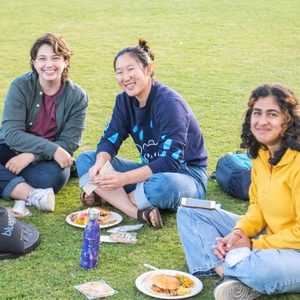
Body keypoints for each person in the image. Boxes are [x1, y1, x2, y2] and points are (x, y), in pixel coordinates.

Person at [177, 84, 300, 299]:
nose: (262, 121)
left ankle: (240, 271)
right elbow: (258, 206)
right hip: (271, 237)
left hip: (294, 252)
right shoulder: (262, 153)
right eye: (257, 113)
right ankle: (228, 276)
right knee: (190, 211)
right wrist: (239, 233)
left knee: (261, 268)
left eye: (272, 114)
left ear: (287, 120)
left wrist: (253, 244)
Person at [76, 39, 208, 229]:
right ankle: (135, 210)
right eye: (119, 72)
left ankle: (106, 198)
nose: (125, 77)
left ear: (148, 69)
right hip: (149, 171)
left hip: (185, 175)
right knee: (86, 159)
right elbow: (110, 139)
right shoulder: (123, 101)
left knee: (162, 185)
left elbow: (170, 162)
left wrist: (122, 180)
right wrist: (100, 163)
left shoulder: (170, 103)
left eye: (131, 69)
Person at [0, 33, 89, 214]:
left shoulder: (78, 97)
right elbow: (11, 133)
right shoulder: (20, 86)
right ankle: (32, 195)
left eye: (55, 58)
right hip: (9, 149)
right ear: (34, 62)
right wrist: (54, 150)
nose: (49, 65)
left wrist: (32, 156)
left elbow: (69, 143)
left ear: (65, 61)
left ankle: (8, 181)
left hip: (44, 162)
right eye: (42, 58)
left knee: (54, 176)